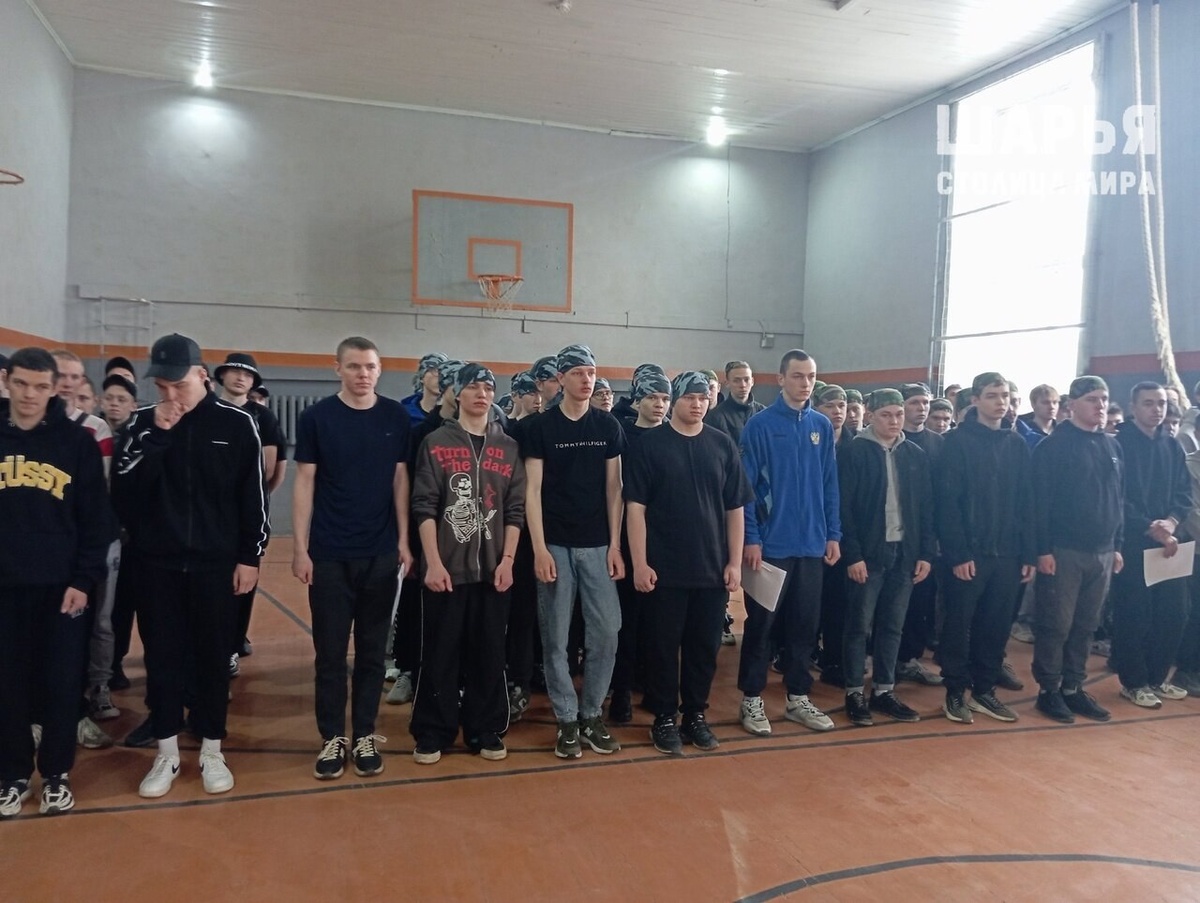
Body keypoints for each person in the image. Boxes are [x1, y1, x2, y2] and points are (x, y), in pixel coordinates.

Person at [112, 333, 268, 798]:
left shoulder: (237, 423)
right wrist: (159, 436)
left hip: (215, 566)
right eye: (162, 386)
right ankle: (166, 752)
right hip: (155, 565)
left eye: (178, 384)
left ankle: (212, 748)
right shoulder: (141, 423)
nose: (171, 394)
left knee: (213, 659)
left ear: (201, 375)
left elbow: (252, 496)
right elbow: (123, 496)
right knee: (161, 659)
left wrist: (250, 556)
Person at [0, 348, 117, 817]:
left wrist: (84, 580)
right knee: (7, 683)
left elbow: (96, 521)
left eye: (40, 386)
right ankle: (12, 775)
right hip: (6, 587)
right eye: (21, 383)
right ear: (6, 381)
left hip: (62, 589)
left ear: (54, 389)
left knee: (62, 683)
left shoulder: (75, 443)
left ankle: (56, 774)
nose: (30, 394)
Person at [292, 336, 413, 780]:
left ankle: (363, 734)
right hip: (329, 555)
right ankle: (331, 737)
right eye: (355, 366)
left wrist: (403, 540)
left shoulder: (395, 417)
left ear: (380, 370)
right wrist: (300, 548)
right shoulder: (317, 418)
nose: (363, 374)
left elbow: (400, 480)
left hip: (379, 553)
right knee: (329, 654)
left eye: (370, 367)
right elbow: (305, 482)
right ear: (338, 369)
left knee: (371, 654)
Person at [625, 371, 752, 755]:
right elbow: (635, 508)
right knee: (662, 649)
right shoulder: (650, 445)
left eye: (702, 398)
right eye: (689, 398)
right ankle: (664, 717)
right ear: (674, 401)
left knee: (703, 649)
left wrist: (734, 563)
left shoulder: (722, 444)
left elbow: (735, 509)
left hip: (711, 570)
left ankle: (695, 714)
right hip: (664, 570)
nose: (697, 404)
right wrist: (640, 563)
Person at [409, 364, 525, 764]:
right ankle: (433, 730)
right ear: (457, 394)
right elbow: (424, 505)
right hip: (447, 571)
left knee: (489, 653)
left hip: (494, 572)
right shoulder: (435, 442)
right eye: (473, 387)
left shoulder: (508, 447)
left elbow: (515, 510)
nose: (482, 394)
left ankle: (484, 728)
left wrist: (508, 561)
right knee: (440, 652)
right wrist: (433, 562)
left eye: (488, 387)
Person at [522, 343, 626, 758]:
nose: (587, 380)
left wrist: (615, 544)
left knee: (607, 632)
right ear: (560, 378)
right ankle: (566, 718)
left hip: (598, 545)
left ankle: (591, 714)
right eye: (578, 372)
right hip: (555, 545)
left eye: (591, 372)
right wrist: (539, 548)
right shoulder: (540, 428)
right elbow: (531, 491)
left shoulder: (608, 426)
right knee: (556, 637)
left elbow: (614, 489)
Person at [737, 349, 841, 736]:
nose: (805, 383)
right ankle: (751, 699)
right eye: (798, 376)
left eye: (811, 376)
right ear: (781, 379)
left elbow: (829, 484)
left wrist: (833, 534)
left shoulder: (821, 426)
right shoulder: (759, 426)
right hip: (770, 548)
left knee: (804, 627)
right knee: (762, 628)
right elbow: (745, 490)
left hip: (811, 546)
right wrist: (751, 538)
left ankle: (798, 698)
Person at [935, 372, 1035, 724]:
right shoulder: (955, 442)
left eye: (1004, 395)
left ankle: (984, 690)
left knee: (995, 627)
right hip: (969, 555)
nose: (1000, 402)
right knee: (959, 626)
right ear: (975, 400)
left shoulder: (1016, 444)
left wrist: (1028, 553)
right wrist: (958, 553)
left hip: (1007, 555)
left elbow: (1027, 503)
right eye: (992, 395)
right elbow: (947, 503)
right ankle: (954, 692)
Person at [838, 388, 935, 727]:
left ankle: (884, 689)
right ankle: (854, 691)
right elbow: (844, 509)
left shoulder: (914, 454)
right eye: (886, 415)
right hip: (869, 554)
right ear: (870, 415)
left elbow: (925, 509)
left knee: (893, 625)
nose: (894, 421)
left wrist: (925, 552)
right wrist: (853, 555)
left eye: (898, 414)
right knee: (858, 626)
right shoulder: (853, 453)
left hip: (904, 553)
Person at [1029, 376, 1123, 723]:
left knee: (1086, 624)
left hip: (1103, 551)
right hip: (1063, 550)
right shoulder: (1053, 447)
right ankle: (1049, 690)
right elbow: (1039, 504)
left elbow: (1118, 498)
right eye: (1093, 399)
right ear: (1072, 405)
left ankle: (1073, 686)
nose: (1100, 405)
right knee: (1057, 624)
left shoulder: (1112, 445)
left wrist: (1117, 545)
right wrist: (1042, 550)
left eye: (1104, 399)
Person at [1111, 382, 1192, 708]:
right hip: (1133, 541)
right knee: (1135, 615)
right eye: (1148, 403)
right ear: (1133, 407)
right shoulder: (1118, 445)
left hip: (1170, 543)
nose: (1156, 409)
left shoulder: (1172, 446)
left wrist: (1171, 521)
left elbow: (1184, 493)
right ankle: (1134, 682)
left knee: (1174, 613)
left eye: (1161, 403)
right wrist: (1150, 527)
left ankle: (1157, 678)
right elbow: (1117, 497)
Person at [214, 352, 288, 666]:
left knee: (243, 581)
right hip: (211, 516)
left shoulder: (262, 417)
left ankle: (232, 644)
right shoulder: (209, 410)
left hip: (245, 516)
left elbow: (272, 469)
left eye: (247, 374)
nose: (240, 378)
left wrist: (255, 499)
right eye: (235, 371)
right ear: (222, 375)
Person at [609, 367, 672, 723]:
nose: (659, 404)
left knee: (659, 624)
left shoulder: (673, 436)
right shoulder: (623, 435)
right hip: (628, 538)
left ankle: (653, 686)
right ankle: (620, 691)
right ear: (637, 400)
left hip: (663, 541)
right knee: (626, 621)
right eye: (651, 397)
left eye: (664, 398)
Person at [895, 382, 944, 686]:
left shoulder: (939, 443)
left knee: (921, 602)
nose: (922, 408)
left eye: (925, 402)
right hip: (896, 535)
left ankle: (908, 659)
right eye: (914, 402)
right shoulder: (891, 441)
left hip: (928, 535)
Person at [705, 360, 764, 446]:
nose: (743, 385)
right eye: (736, 380)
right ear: (727, 383)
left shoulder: (763, 413)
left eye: (746, 380)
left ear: (752, 381)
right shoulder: (715, 417)